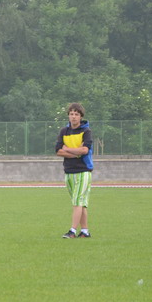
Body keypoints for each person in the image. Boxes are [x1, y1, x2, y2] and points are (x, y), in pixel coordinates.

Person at [55, 102, 94, 239]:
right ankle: (85, 231)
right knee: (80, 203)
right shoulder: (64, 131)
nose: (73, 117)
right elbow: (58, 151)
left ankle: (72, 231)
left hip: (83, 171)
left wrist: (67, 149)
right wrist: (75, 153)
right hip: (69, 171)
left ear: (81, 116)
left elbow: (85, 150)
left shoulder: (86, 131)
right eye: (71, 114)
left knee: (77, 202)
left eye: (76, 114)